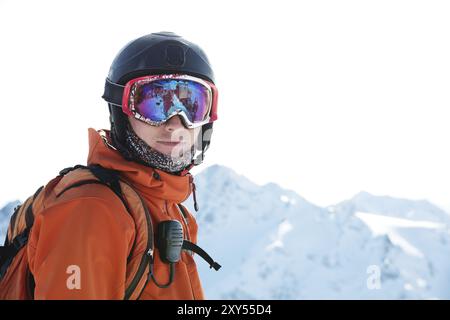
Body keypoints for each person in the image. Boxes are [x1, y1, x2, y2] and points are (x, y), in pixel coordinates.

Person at [4, 31, 219, 299]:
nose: (175, 121)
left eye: (191, 104)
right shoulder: (92, 208)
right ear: (121, 110)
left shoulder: (169, 209)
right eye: (154, 102)